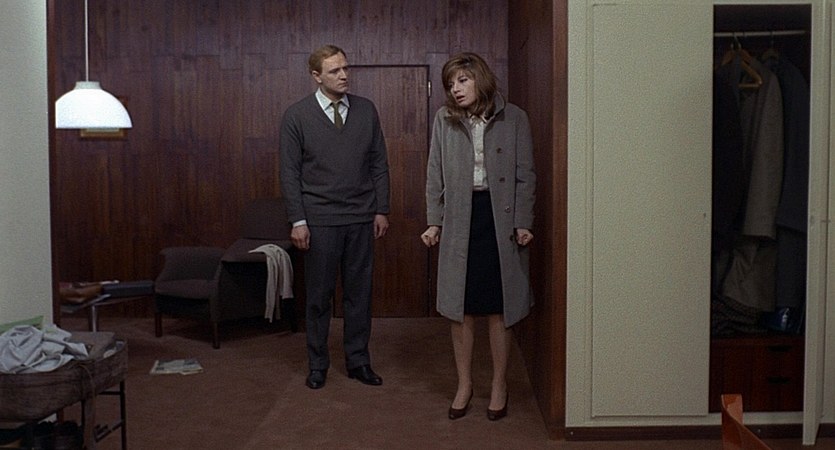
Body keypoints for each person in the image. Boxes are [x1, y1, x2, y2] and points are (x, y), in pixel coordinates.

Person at [421, 52, 535, 421]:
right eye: (450, 84)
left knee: (500, 306)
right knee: (462, 307)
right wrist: (434, 221)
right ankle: (465, 384)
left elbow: (525, 175)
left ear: (480, 79)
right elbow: (434, 172)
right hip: (460, 218)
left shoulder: (514, 117)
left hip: (499, 218)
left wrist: (523, 221)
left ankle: (499, 384)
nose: (455, 89)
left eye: (463, 80)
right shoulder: (444, 119)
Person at [279, 44, 390, 390]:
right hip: (320, 221)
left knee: (359, 295)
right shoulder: (297, 116)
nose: (344, 75)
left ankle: (359, 361)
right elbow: (289, 173)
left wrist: (381, 209)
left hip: (360, 217)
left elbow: (379, 164)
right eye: (334, 71)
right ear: (316, 76)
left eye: (345, 68)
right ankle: (318, 365)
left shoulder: (366, 110)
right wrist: (298, 221)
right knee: (318, 297)